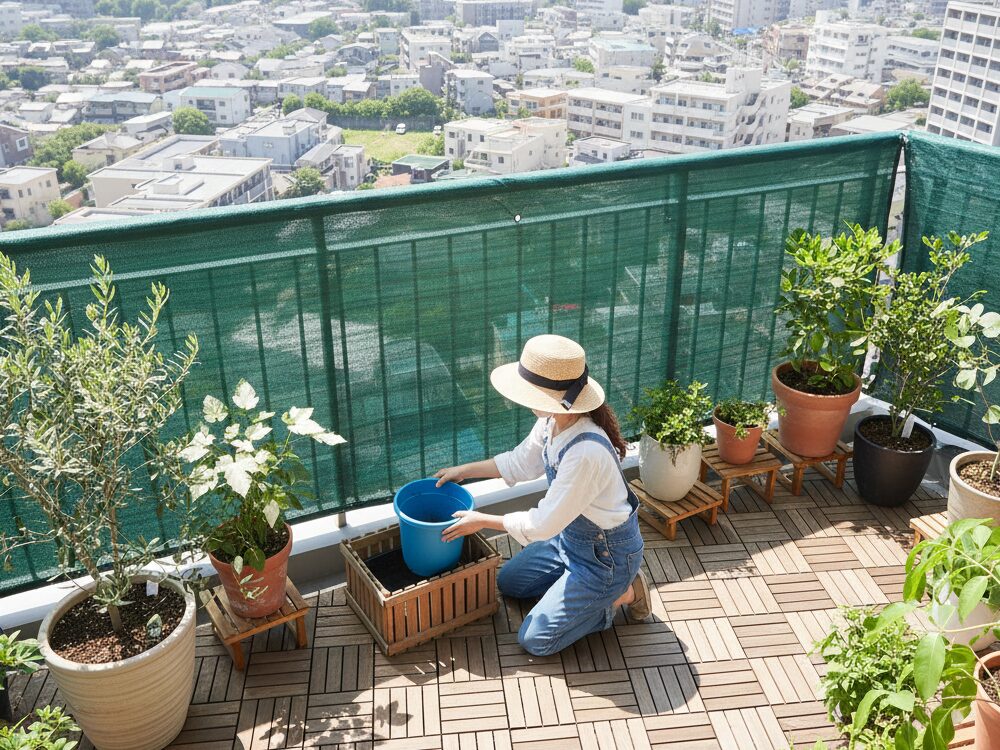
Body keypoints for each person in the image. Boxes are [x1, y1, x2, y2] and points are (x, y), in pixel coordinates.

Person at [434, 334, 650, 656]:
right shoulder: (554, 421)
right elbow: (520, 462)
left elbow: (542, 525)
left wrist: (480, 521)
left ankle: (625, 592)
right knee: (509, 582)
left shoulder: (585, 451)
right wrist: (463, 471)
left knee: (535, 639)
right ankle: (576, 589)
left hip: (604, 559)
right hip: (569, 540)